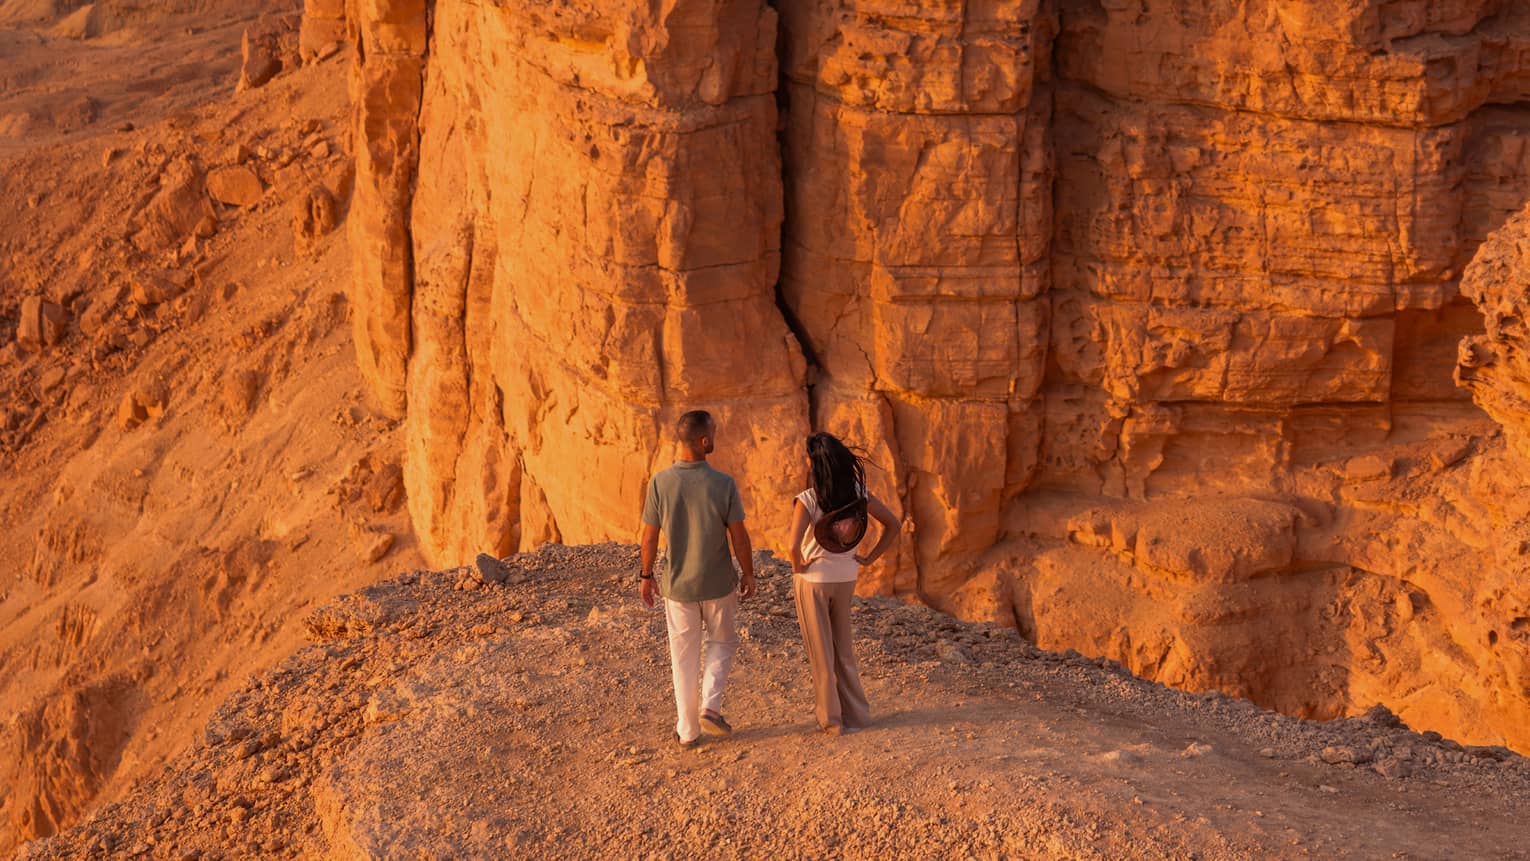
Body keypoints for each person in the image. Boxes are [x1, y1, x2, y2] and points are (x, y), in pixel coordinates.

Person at [639, 410, 756, 748]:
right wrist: (747, 572)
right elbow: (740, 536)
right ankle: (711, 706)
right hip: (719, 583)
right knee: (723, 641)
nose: (716, 437)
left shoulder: (661, 482)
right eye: (714, 432)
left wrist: (646, 575)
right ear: (704, 441)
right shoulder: (723, 484)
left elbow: (649, 537)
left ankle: (688, 732)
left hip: (677, 587)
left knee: (683, 656)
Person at [787, 431, 899, 735]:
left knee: (821, 653)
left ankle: (832, 720)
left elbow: (793, 546)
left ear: (816, 464)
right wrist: (870, 558)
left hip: (813, 580)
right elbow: (893, 524)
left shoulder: (808, 499)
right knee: (844, 651)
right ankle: (859, 716)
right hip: (846, 578)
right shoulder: (859, 493)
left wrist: (798, 567)